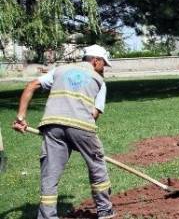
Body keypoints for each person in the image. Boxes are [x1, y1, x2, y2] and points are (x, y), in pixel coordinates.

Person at [13, 45, 115, 219]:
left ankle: (47, 216)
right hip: (82, 126)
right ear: (95, 60)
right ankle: (105, 210)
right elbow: (94, 114)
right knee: (97, 166)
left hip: (52, 126)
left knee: (50, 174)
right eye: (103, 64)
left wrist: (21, 118)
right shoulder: (99, 81)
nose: (103, 68)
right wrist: (78, 138)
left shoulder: (59, 70)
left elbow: (31, 86)